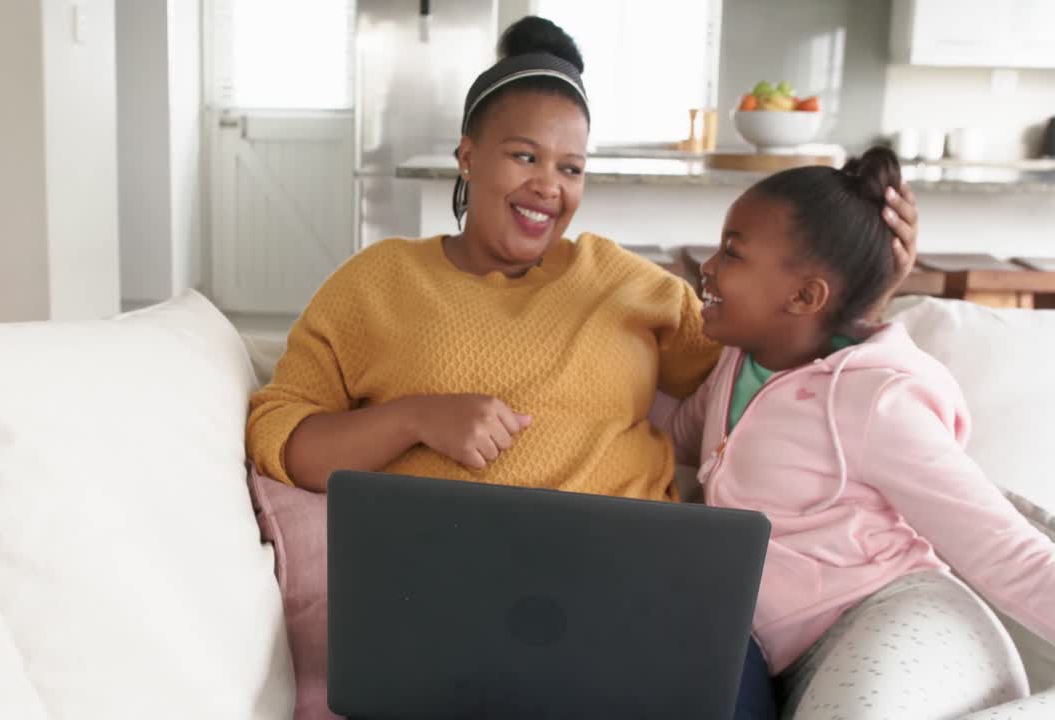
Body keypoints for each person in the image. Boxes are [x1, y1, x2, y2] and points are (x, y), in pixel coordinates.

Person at [246, 15, 917, 718]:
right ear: (467, 156)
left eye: (571, 168)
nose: (549, 186)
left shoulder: (624, 281)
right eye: (524, 156)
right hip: (455, 606)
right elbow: (281, 437)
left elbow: (776, 355)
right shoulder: (374, 283)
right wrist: (416, 417)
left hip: (641, 595)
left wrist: (862, 289)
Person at [668, 146, 1055, 718]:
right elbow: (673, 432)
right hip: (785, 647)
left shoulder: (877, 403)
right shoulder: (738, 365)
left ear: (804, 297)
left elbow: (1003, 548)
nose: (706, 267)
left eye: (732, 252)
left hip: (896, 617)